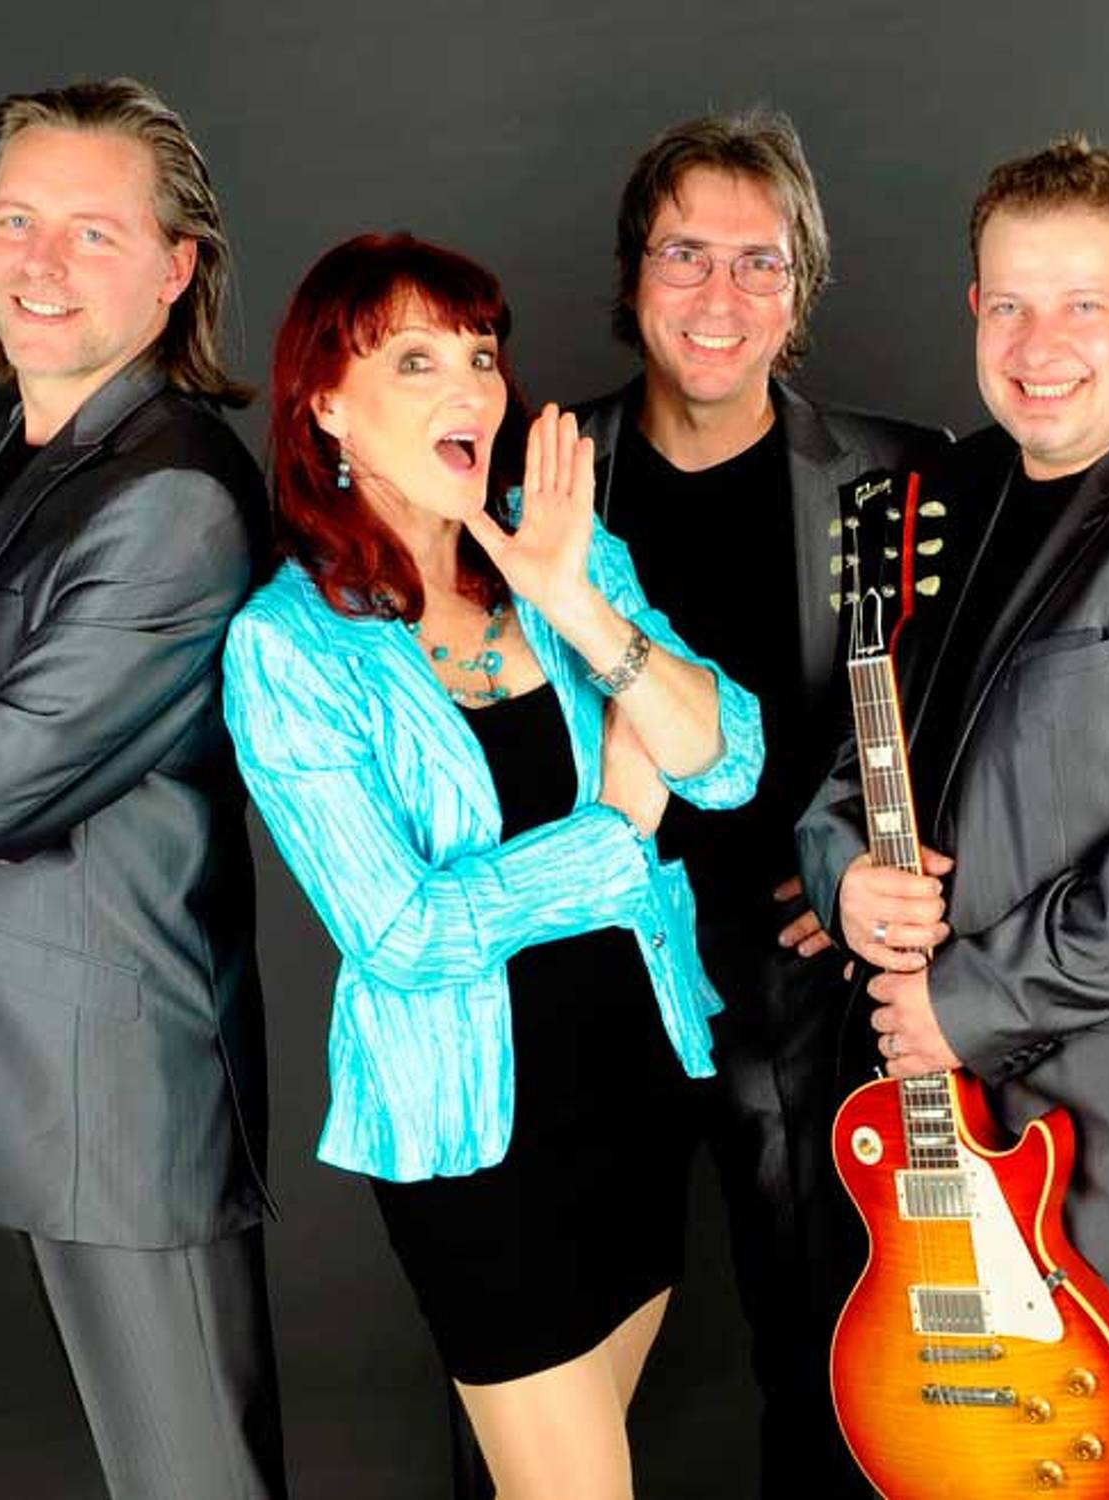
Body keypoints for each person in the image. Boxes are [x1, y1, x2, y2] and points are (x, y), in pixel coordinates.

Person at [222, 231, 763, 1500]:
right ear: (326, 404)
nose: (470, 387)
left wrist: (575, 602)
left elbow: (726, 759)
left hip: (639, 1089)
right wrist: (613, 836)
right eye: (415, 361)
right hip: (473, 1142)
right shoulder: (287, 647)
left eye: (479, 355)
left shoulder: (561, 548)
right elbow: (401, 933)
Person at [797, 136, 1109, 1500]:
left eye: (1082, 304)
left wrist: (966, 1002)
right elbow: (855, 761)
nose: (1038, 345)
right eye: (1008, 304)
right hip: (938, 1141)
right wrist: (840, 876)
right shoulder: (949, 496)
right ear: (973, 312)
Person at [0, 79, 287, 1498]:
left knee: (193, 1482)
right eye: (17, 219)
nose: (40, 262)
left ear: (178, 269)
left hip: (117, 1094)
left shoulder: (177, 500)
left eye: (93, 232)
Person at [562, 109, 945, 1496]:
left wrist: (850, 872)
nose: (718, 294)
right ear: (633, 274)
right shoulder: (549, 469)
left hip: (804, 986)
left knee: (826, 1359)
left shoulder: (899, 473)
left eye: (758, 261)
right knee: (550, 1359)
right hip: (595, 965)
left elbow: (967, 714)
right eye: (684, 254)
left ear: (801, 290)